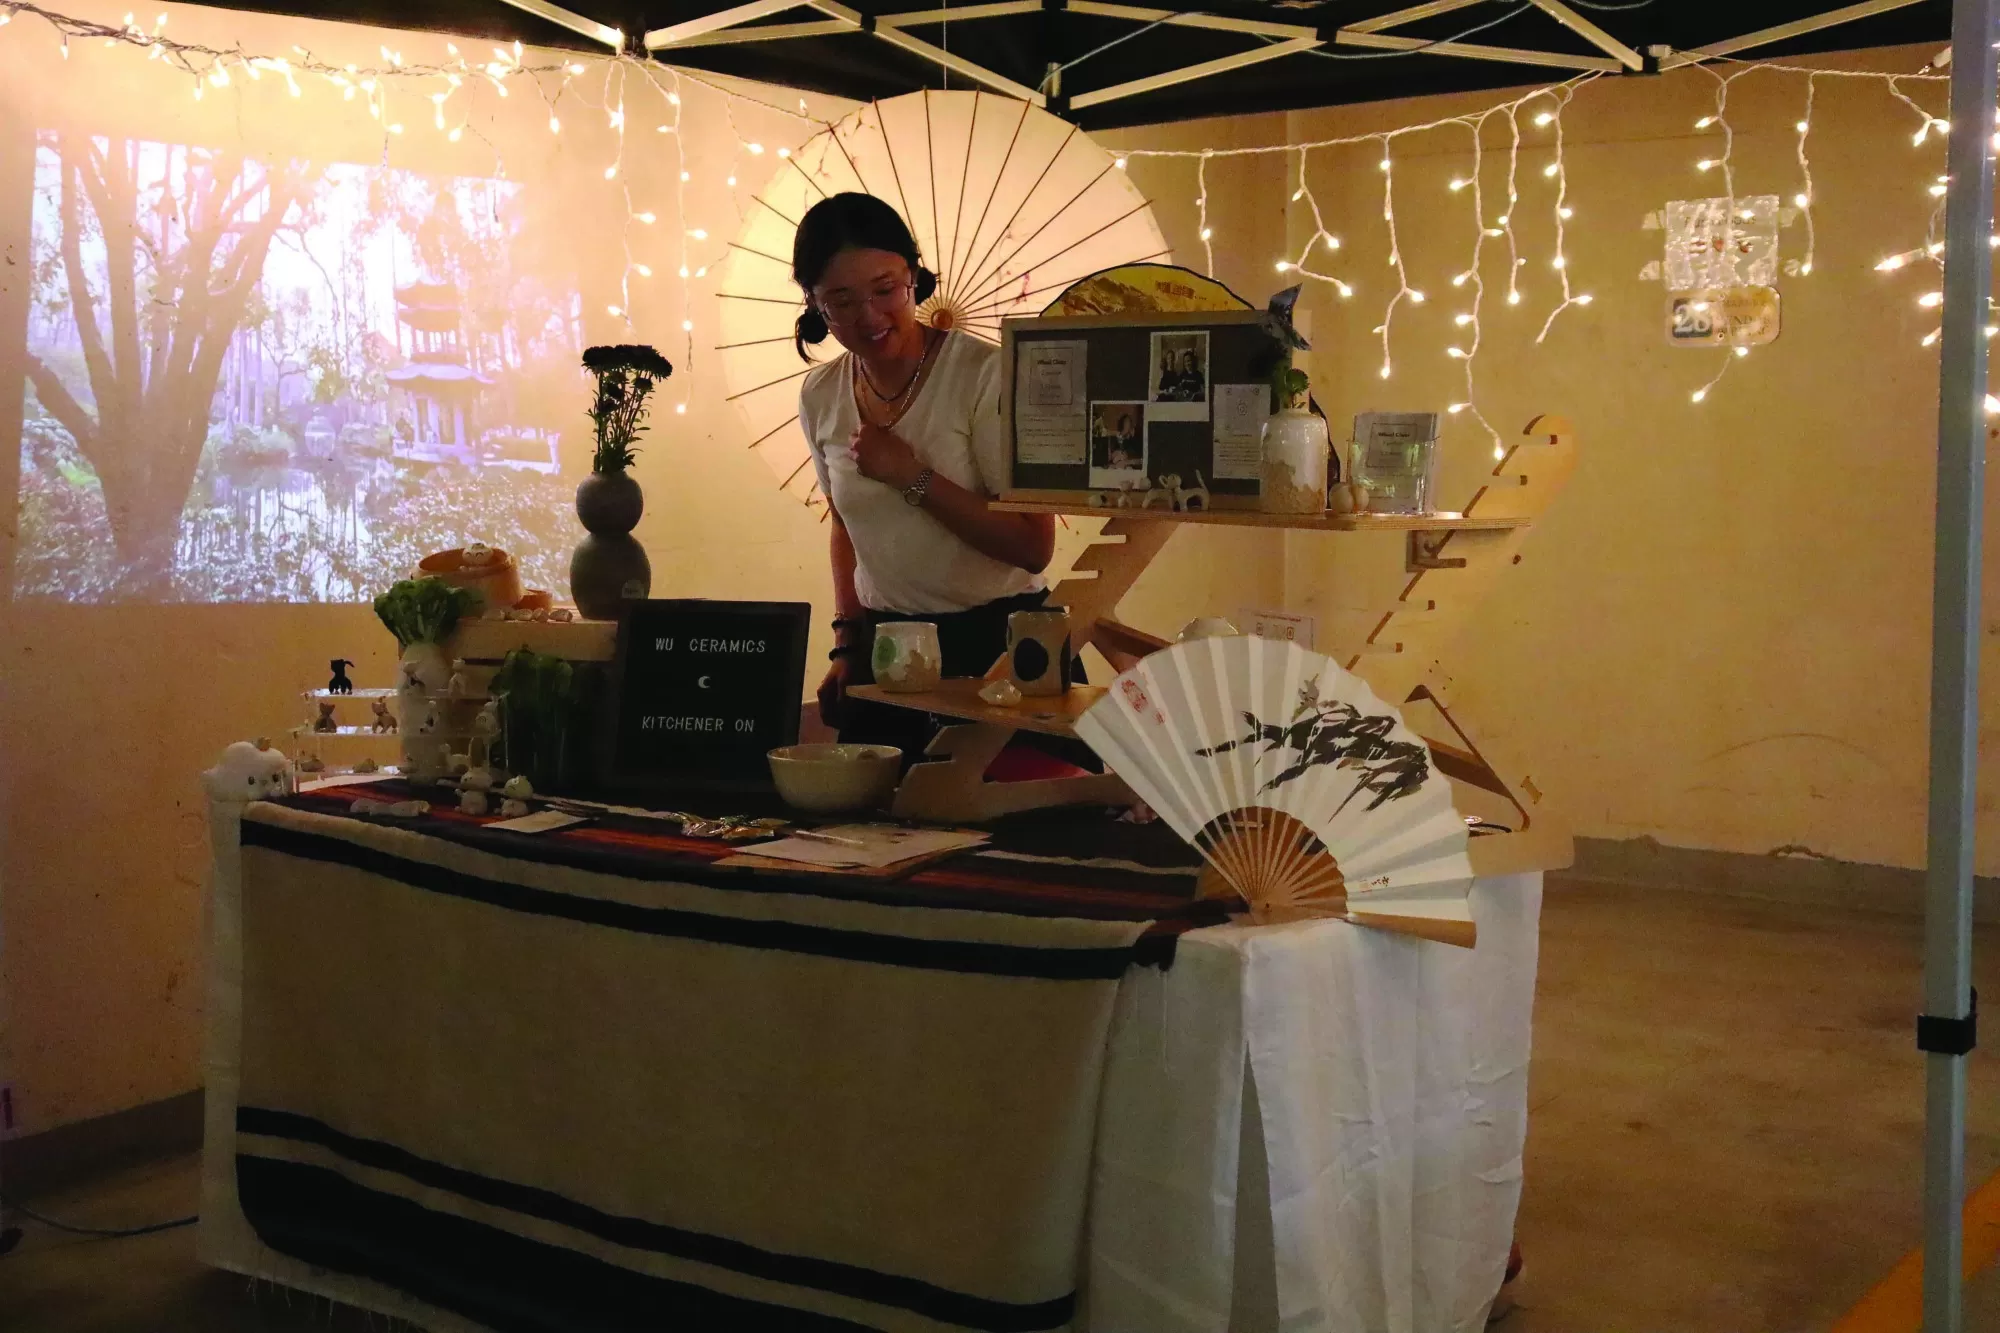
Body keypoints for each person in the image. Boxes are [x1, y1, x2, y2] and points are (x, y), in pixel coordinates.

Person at [792, 192, 1065, 753]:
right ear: (816, 306)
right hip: (886, 646)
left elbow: (1034, 546)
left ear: (914, 276)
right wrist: (847, 644)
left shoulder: (985, 374)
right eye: (840, 301)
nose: (868, 316)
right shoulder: (821, 393)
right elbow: (844, 527)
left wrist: (912, 478)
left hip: (1001, 643)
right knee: (875, 830)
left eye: (885, 289)